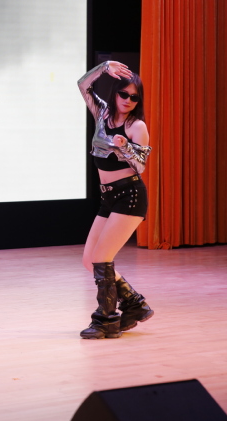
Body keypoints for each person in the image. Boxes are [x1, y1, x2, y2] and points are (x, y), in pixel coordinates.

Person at [77, 60, 154, 339]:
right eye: (124, 94)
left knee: (102, 258)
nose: (128, 100)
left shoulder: (137, 126)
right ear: (115, 93)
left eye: (135, 97)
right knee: (90, 260)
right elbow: (83, 85)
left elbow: (141, 166)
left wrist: (125, 148)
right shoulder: (103, 114)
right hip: (108, 198)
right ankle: (134, 304)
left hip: (129, 196)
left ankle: (106, 320)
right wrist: (104, 67)